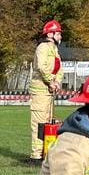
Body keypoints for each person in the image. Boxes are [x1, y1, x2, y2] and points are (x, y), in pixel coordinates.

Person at [27, 19, 64, 164]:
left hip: (49, 91)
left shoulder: (54, 50)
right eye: (58, 33)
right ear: (51, 34)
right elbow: (42, 67)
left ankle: (45, 153)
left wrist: (56, 82)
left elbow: (60, 69)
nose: (60, 36)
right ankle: (36, 155)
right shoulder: (42, 48)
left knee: (48, 122)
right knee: (39, 122)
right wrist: (50, 81)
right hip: (40, 91)